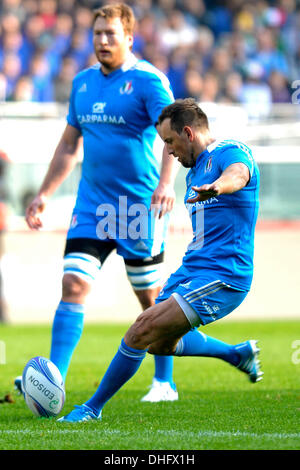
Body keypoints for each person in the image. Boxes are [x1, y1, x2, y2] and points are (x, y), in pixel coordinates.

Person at [57, 97, 263, 424]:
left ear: (188, 132)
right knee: (159, 345)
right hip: (193, 269)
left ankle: (90, 409)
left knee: (140, 330)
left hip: (223, 275)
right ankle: (236, 354)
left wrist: (219, 187)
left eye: (169, 141)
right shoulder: (196, 168)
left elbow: (240, 174)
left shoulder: (229, 152)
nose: (167, 151)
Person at [18, 3, 179, 403]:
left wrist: (165, 184)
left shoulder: (148, 82)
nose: (102, 41)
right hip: (92, 207)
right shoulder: (82, 83)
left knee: (150, 299)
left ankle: (164, 382)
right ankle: (52, 382)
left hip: (137, 207)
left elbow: (173, 136)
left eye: (110, 34)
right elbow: (70, 144)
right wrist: (44, 194)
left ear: (129, 37)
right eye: (97, 34)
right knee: (73, 284)